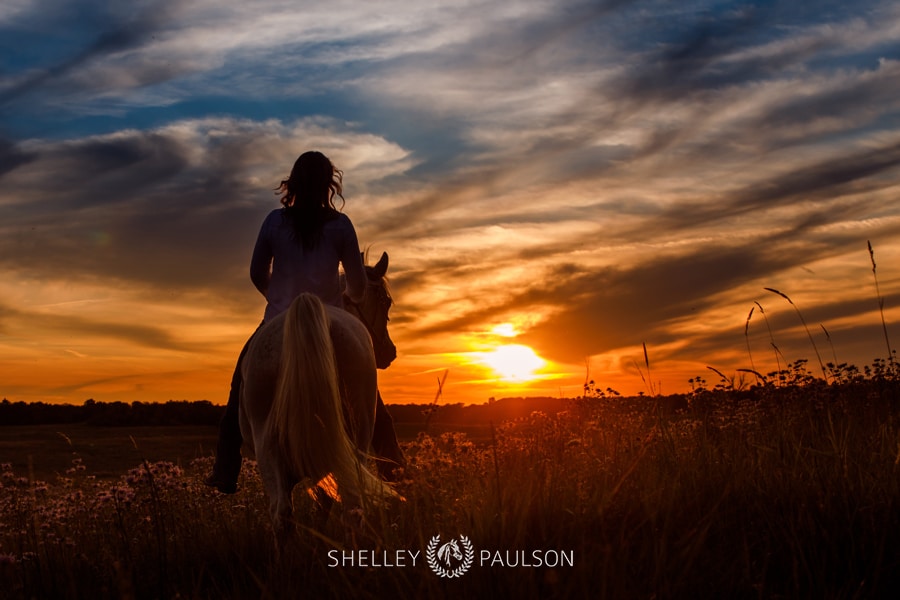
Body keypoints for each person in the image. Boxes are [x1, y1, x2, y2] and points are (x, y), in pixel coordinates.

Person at [205, 150, 404, 494]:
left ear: (292, 182)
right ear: (331, 185)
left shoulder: (273, 221)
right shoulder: (341, 225)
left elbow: (256, 274)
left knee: (239, 390)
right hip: (332, 315)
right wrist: (349, 300)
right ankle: (394, 468)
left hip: (277, 317)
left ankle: (225, 470)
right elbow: (357, 287)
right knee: (373, 399)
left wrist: (279, 301)